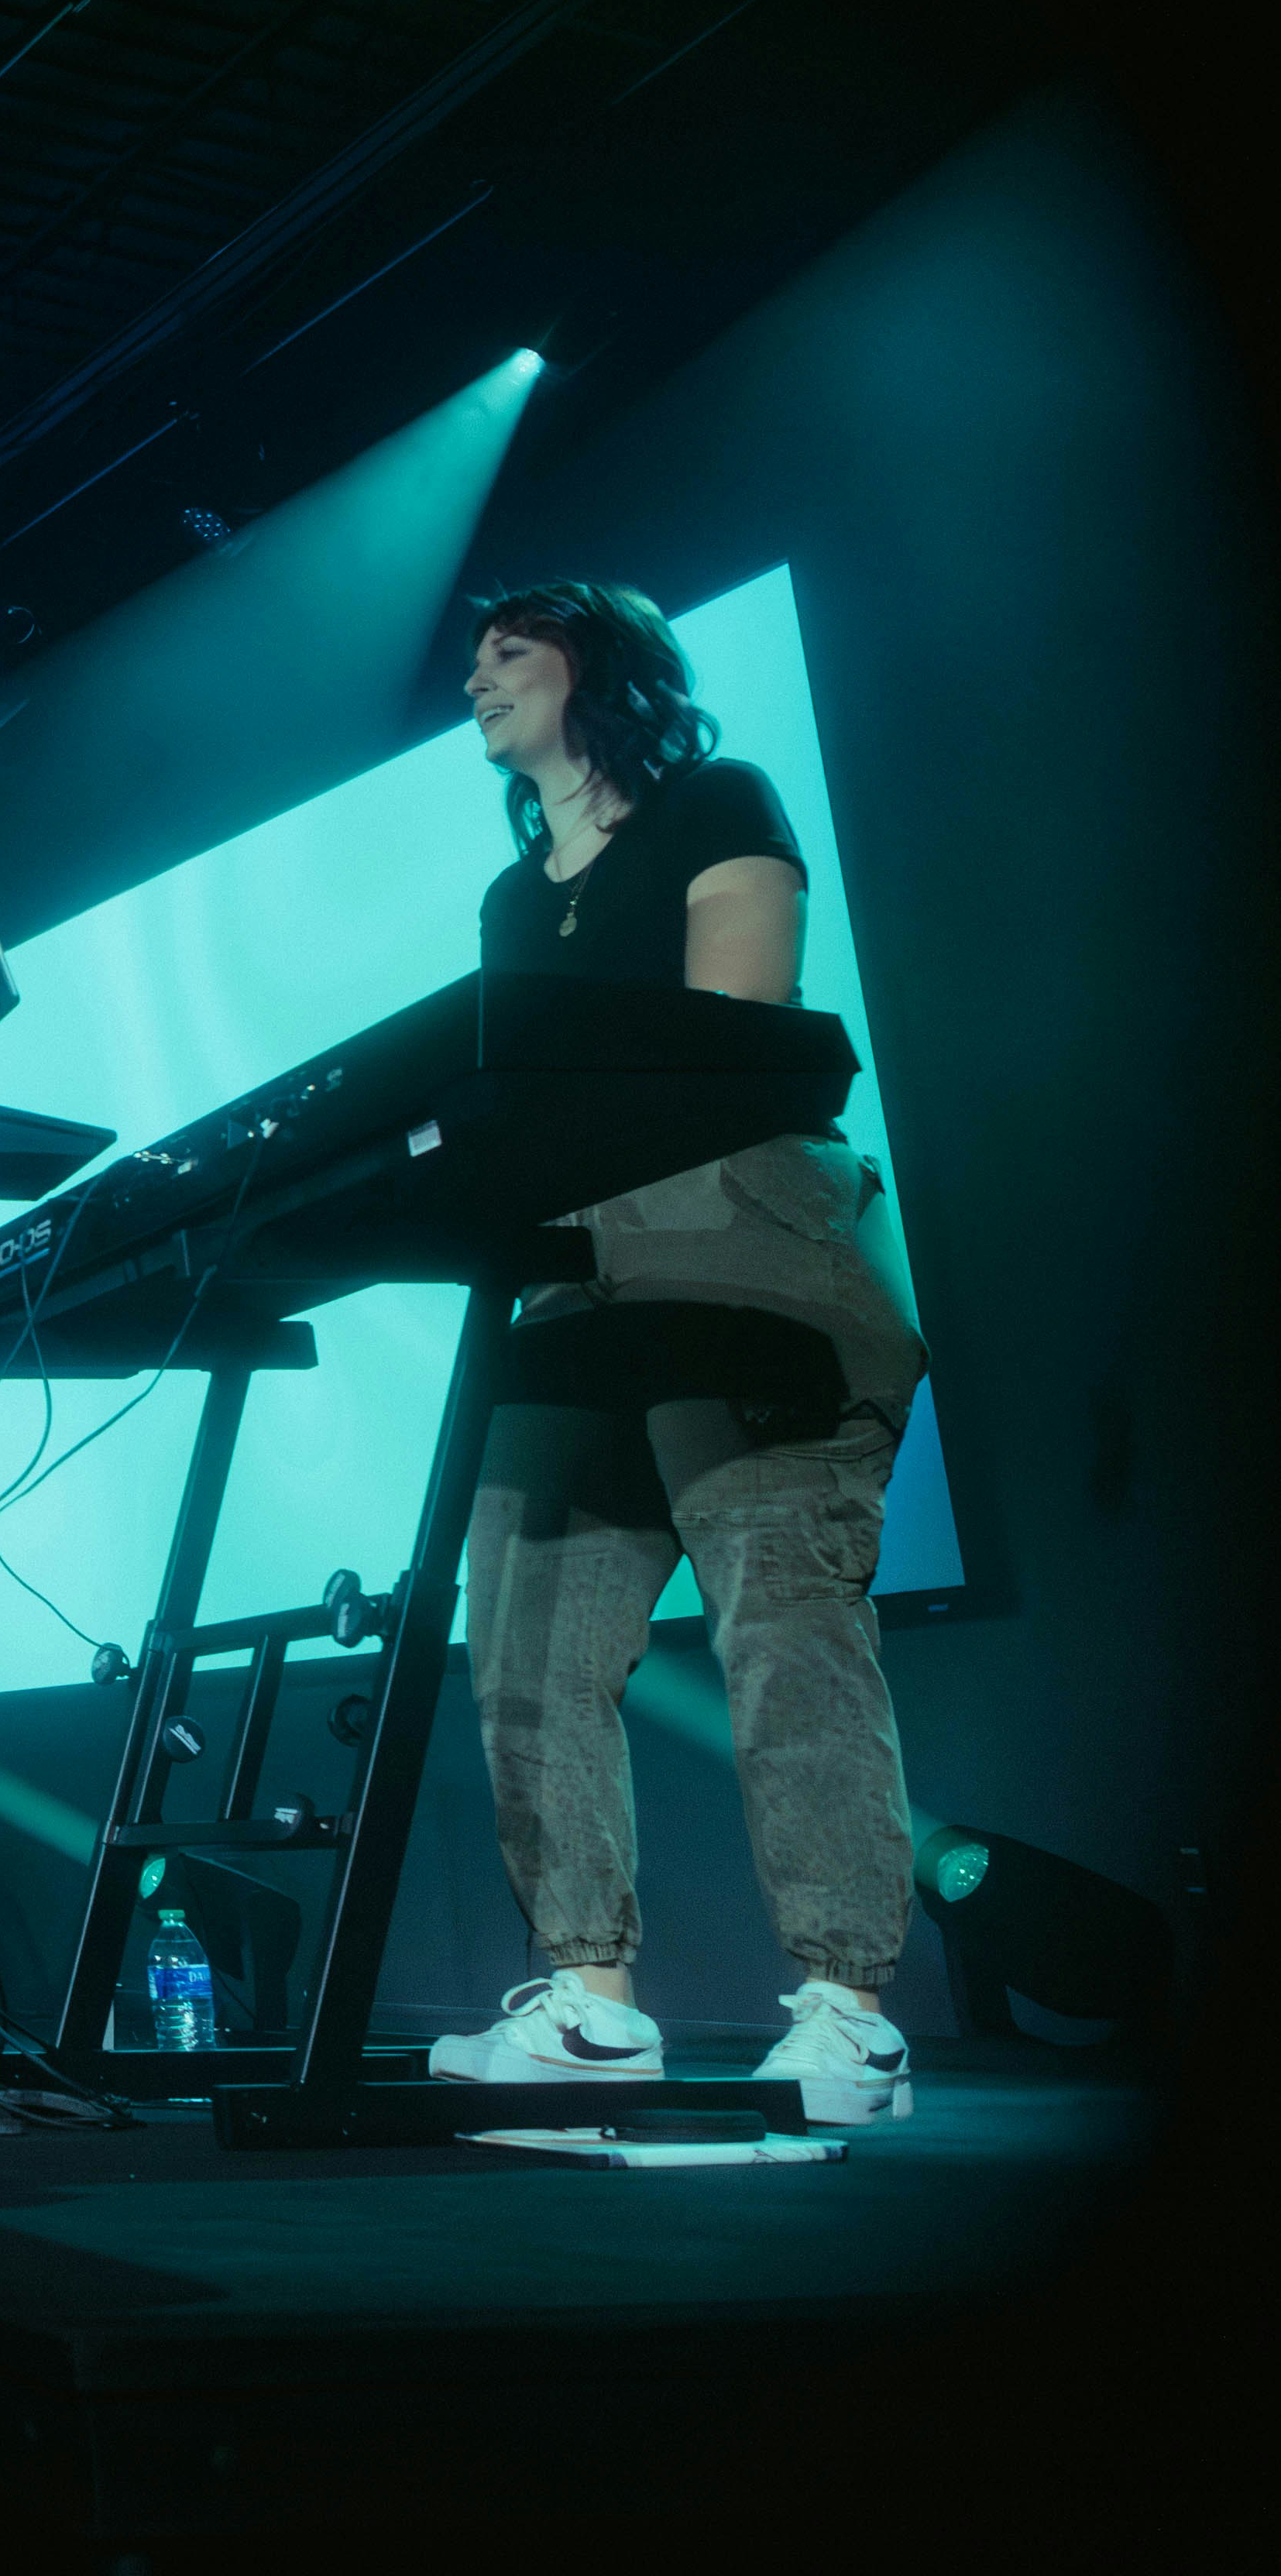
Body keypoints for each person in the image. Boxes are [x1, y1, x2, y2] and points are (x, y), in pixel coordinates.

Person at [428, 582, 929, 2124]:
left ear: (596, 663)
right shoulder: (511, 899)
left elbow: (733, 1030)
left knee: (782, 1622)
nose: (475, 682)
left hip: (739, 1255)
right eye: (471, 662)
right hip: (579, 1289)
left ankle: (851, 2013)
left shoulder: (716, 801)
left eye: (507, 653)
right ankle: (591, 2005)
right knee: (524, 1640)